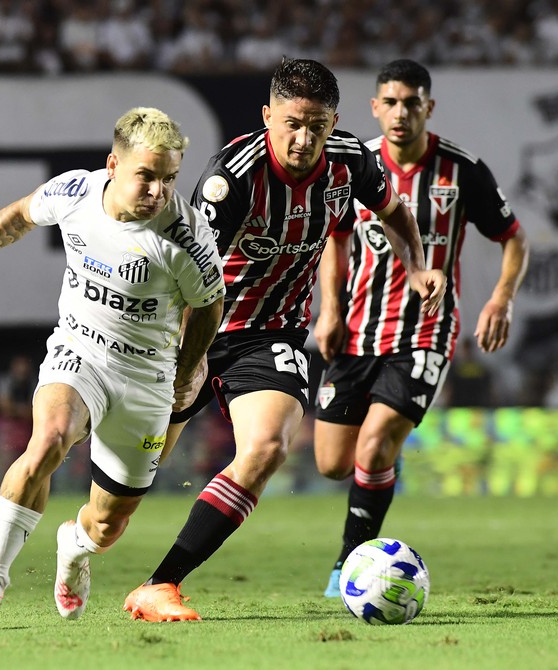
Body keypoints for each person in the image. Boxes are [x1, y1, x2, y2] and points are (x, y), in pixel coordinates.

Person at [122, 58, 446, 622]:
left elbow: (393, 210)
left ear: (335, 121)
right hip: (195, 328)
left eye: (317, 125)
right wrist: (183, 356)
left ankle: (160, 584)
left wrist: (416, 265)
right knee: (122, 495)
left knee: (267, 448)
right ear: (268, 116)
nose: (303, 138)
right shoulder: (232, 178)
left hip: (270, 334)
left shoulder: (351, 163)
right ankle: (77, 540)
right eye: (292, 123)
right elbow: (184, 271)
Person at [0, 107, 225, 623]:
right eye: (147, 176)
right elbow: (22, 213)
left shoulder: (186, 237)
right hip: (80, 350)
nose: (159, 191)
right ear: (113, 164)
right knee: (49, 439)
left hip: (147, 378)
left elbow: (209, 306)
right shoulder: (76, 193)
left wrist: (186, 370)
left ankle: (74, 547)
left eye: (170, 178)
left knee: (108, 523)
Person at [312, 59, 529, 597]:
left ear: (428, 107)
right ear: (374, 107)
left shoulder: (461, 170)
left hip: (424, 332)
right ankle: (383, 463)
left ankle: (347, 568)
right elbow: (334, 242)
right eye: (390, 102)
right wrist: (331, 309)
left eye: (412, 103)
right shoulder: (356, 163)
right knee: (332, 464)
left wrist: (501, 299)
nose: (400, 113)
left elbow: (515, 239)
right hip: (357, 332)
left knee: (374, 444)